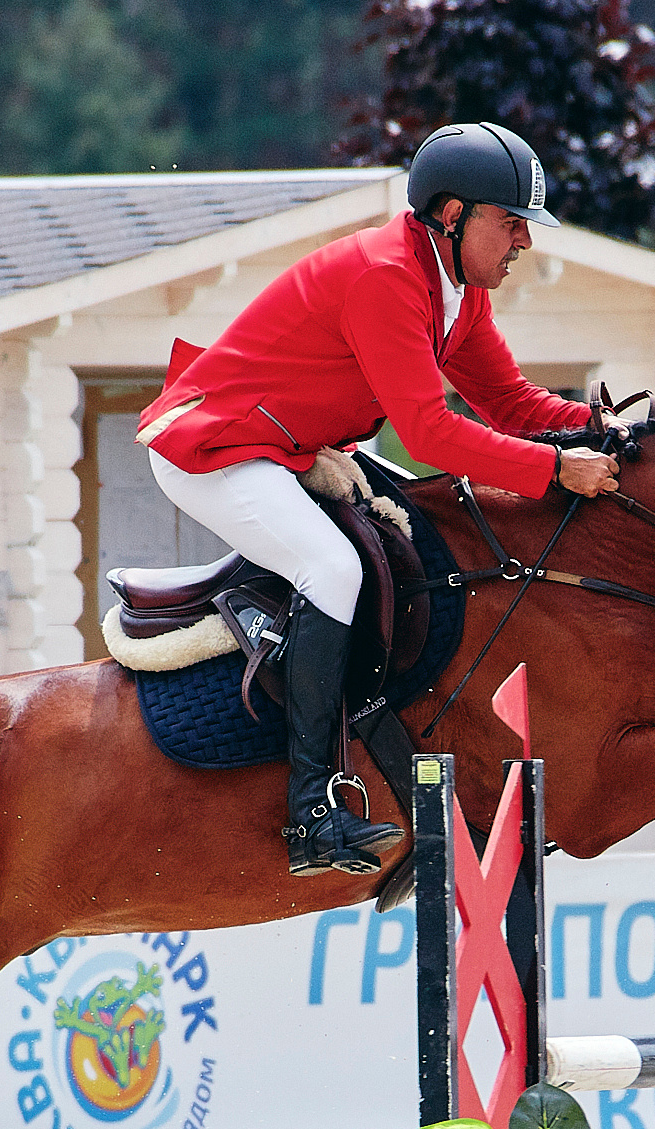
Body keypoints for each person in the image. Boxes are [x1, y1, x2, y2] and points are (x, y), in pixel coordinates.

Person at [136, 121, 620, 877]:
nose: (524, 242)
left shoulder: (455, 286)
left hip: (293, 443)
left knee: (419, 530)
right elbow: (429, 431)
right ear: (453, 215)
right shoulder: (387, 275)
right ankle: (309, 815)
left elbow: (512, 403)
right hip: (216, 446)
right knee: (333, 570)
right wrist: (555, 473)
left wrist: (597, 427)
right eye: (511, 222)